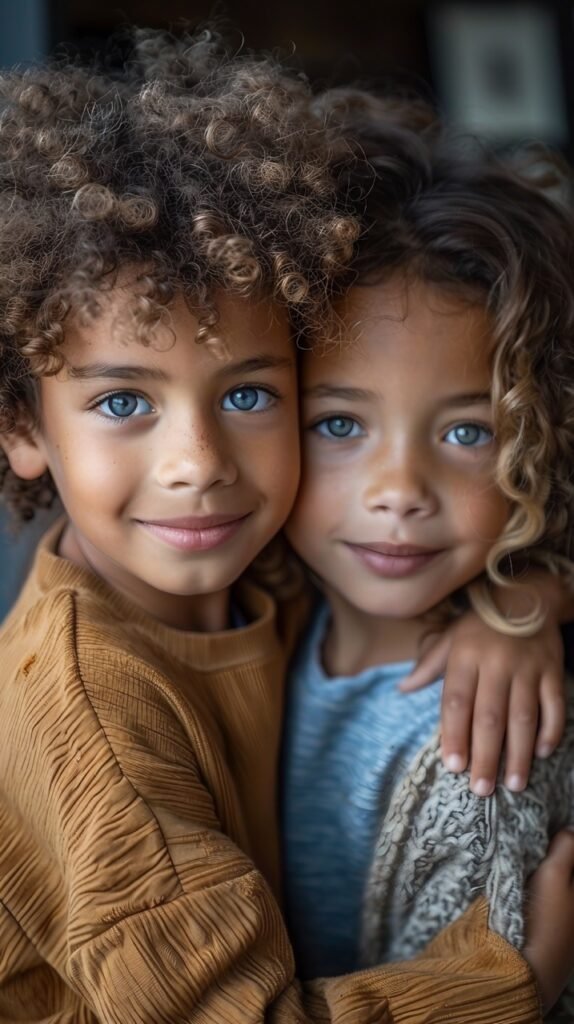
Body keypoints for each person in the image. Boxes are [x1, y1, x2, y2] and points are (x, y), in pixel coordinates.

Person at [0, 34, 568, 1021]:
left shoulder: (263, 567)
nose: (199, 463)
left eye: (251, 396)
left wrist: (528, 591)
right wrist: (511, 979)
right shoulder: (94, 724)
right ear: (22, 425)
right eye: (124, 403)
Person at [282, 91, 574, 1017]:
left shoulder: (487, 758)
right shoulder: (264, 597)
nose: (398, 488)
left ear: (545, 442)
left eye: (468, 433)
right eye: (338, 423)